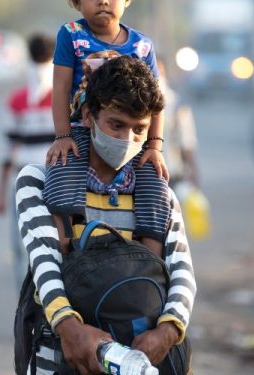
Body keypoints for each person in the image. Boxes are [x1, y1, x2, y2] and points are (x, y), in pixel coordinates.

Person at [16, 56, 196, 374]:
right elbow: (45, 267)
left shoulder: (159, 195)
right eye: (117, 124)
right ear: (88, 115)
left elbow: (182, 274)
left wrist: (166, 333)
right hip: (60, 356)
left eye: (139, 129)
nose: (127, 140)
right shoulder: (40, 181)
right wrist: (71, 331)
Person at [44, 0, 171, 256]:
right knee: (62, 172)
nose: (103, 1)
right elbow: (59, 88)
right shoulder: (70, 34)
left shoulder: (142, 45)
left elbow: (155, 99)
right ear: (77, 3)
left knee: (155, 185)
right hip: (83, 129)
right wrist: (63, 135)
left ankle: (152, 261)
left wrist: (154, 145)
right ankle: (63, 252)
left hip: (133, 136)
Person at [0, 33, 56, 287]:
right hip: (52, 179)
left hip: (26, 181)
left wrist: (0, 193)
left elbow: (8, 152)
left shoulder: (18, 100)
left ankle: (31, 303)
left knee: (24, 244)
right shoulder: (64, 97)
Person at [157, 58, 201, 189]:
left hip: (171, 174)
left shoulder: (177, 104)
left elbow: (187, 142)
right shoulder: (133, 104)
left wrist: (194, 173)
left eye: (158, 71)